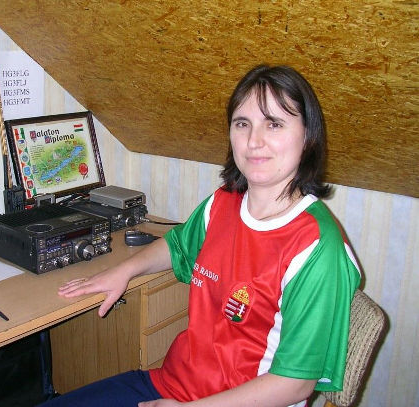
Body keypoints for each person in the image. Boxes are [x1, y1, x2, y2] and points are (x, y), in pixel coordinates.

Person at [39, 64, 361, 407]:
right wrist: (124, 270)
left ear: (308, 137)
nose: (254, 141)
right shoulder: (223, 203)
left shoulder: (317, 247)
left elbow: (295, 384)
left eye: (274, 124)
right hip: (172, 384)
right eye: (243, 124)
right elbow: (177, 244)